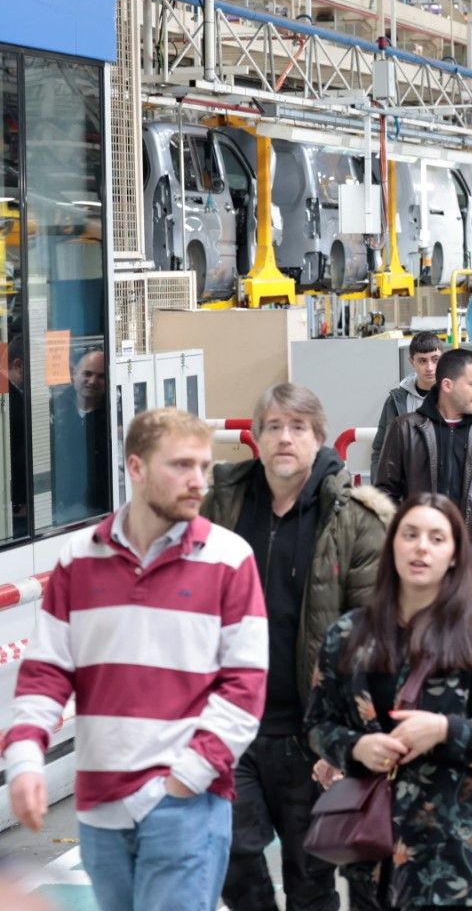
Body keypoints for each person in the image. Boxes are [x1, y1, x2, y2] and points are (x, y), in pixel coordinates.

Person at [5, 408, 268, 911]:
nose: (197, 482)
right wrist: (24, 761)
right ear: (137, 467)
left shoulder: (229, 559)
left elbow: (244, 685)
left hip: (186, 805)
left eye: (204, 467)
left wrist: (184, 779)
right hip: (101, 806)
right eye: (181, 466)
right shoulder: (78, 558)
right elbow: (47, 672)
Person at [203, 385, 392, 911]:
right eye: (273, 427)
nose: (285, 438)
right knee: (233, 859)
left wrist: (346, 731)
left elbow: (370, 628)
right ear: (255, 439)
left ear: (320, 438)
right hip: (231, 725)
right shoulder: (220, 506)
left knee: (311, 878)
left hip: (311, 734)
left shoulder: (354, 517)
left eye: (298, 428)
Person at [305, 494, 472, 911]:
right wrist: (355, 747)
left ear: (453, 556)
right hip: (371, 849)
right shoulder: (347, 635)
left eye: (436, 537)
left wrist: (445, 730)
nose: (421, 547)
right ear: (392, 546)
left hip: (454, 856)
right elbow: (318, 724)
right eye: (410, 535)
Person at [374, 347, 472, 542]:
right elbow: (385, 493)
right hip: (420, 552)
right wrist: (408, 536)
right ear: (447, 385)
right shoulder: (405, 429)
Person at [49, 345, 110, 523]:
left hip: (102, 510)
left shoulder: (115, 417)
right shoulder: (53, 412)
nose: (92, 381)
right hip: (61, 511)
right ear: (74, 373)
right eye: (87, 373)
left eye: (101, 376)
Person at [370, 331, 443, 478]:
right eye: (422, 361)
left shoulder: (455, 398)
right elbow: (380, 450)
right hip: (405, 489)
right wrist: (380, 490)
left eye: (435, 359)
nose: (429, 367)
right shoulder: (396, 401)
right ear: (412, 362)